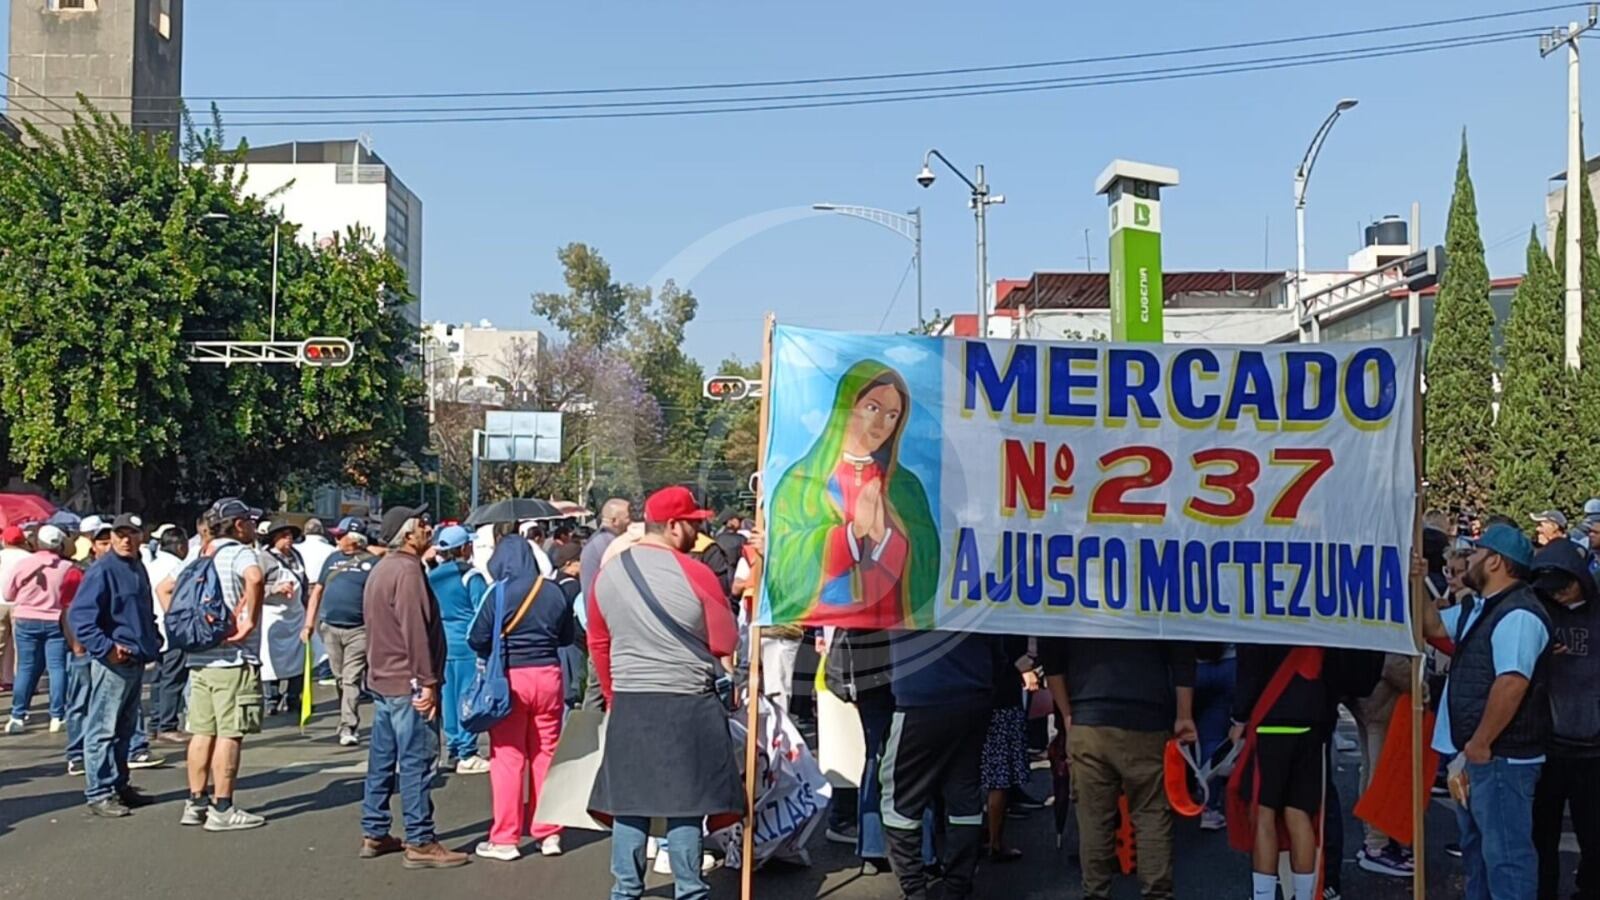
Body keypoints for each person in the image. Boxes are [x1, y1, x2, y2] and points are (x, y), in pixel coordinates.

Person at [588, 486, 742, 900]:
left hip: (631, 699)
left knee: (629, 804)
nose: (699, 530)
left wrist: (612, 693)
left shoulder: (609, 573)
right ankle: (689, 890)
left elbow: (598, 642)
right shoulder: (698, 573)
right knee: (685, 805)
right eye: (694, 523)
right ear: (673, 526)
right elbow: (724, 640)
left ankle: (625, 891)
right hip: (687, 701)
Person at [1418, 522, 1552, 900]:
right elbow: (1430, 625)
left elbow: (1511, 683)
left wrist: (1479, 744)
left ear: (1495, 562)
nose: (1467, 561)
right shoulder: (1481, 609)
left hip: (1500, 757)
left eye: (1476, 553)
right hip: (1481, 755)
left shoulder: (1518, 615)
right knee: (1480, 853)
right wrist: (1415, 580)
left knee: (1506, 858)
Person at [766, 360, 939, 629]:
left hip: (887, 629)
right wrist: (852, 533)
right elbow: (784, 556)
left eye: (893, 415)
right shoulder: (800, 481)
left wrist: (886, 538)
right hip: (820, 630)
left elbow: (926, 557)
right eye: (872, 408)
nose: (881, 423)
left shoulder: (905, 486)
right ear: (846, 408)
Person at [1043, 637, 1197, 900]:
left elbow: (1052, 659)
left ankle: (1095, 892)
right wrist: (1184, 715)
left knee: (1093, 819)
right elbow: (1183, 655)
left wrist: (1068, 715)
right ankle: (1157, 893)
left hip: (1088, 717)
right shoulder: (1161, 595)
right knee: (1151, 815)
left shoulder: (1070, 599)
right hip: (1148, 716)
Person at [359, 504, 467, 869]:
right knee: (418, 760)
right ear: (407, 534)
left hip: (386, 679)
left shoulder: (382, 569)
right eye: (422, 524)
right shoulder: (407, 572)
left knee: (383, 760)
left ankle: (375, 829)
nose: (428, 528)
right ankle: (420, 839)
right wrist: (427, 682)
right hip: (408, 681)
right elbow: (415, 630)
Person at [470, 535, 572, 861]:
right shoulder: (553, 590)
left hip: (510, 680)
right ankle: (550, 833)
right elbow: (567, 636)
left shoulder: (498, 592)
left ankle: (505, 839)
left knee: (508, 757)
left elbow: (477, 637)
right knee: (546, 754)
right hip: (549, 677)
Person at [879, 629, 1000, 900]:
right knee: (964, 798)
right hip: (973, 696)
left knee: (899, 801)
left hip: (919, 697)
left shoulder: (900, 586)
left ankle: (914, 889)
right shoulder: (976, 586)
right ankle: (957, 886)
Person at [182, 497, 268, 832]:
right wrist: (249, 622)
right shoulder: (240, 552)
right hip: (234, 657)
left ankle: (194, 802)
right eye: (248, 521)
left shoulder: (199, 553)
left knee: (202, 731)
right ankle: (223, 807)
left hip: (200, 656)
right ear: (237, 524)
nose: (252, 527)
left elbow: (166, 588)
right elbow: (256, 578)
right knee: (230, 733)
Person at [67, 513, 160, 817]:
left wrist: (153, 638)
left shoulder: (136, 566)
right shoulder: (103, 569)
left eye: (131, 533)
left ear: (141, 536)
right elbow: (80, 617)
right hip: (113, 661)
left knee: (124, 728)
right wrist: (106, 648)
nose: (125, 539)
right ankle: (99, 791)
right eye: (119, 534)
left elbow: (142, 609)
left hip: (135, 657)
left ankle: (119, 785)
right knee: (102, 729)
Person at [1528, 539, 1599, 900]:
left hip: (1592, 749)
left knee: (1594, 838)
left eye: (1565, 588)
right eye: (1552, 591)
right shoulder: (1538, 608)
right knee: (1542, 836)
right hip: (1548, 745)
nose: (1560, 597)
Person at [302, 516, 381, 746]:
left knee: (351, 677)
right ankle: (346, 715)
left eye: (340, 535)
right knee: (339, 678)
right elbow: (317, 591)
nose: (336, 538)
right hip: (330, 628)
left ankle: (348, 725)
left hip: (360, 629)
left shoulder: (372, 562)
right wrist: (308, 624)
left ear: (354, 538)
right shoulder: (332, 558)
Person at [5, 524, 80, 733]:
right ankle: (57, 716)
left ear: (37, 542)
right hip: (54, 620)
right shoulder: (67, 568)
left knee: (25, 668)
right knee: (57, 668)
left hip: (25, 619)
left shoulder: (24, 564)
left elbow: (8, 594)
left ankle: (17, 715)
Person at [426, 524, 488, 774]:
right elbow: (483, 612)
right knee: (468, 698)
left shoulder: (433, 577)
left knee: (448, 699)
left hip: (441, 644)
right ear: (464, 547)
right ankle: (467, 752)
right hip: (467, 645)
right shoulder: (471, 576)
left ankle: (453, 748)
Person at [981, 635, 1036, 863]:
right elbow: (1012, 653)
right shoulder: (1006, 619)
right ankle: (995, 842)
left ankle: (969, 839)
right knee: (999, 778)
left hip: (973, 698)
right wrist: (1026, 667)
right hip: (1003, 699)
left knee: (966, 777)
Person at [578, 498, 630, 711]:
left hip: (599, 625)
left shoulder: (596, 543)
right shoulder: (610, 545)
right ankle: (590, 738)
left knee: (596, 688)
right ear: (615, 519)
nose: (631, 520)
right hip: (605, 630)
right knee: (598, 688)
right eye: (628, 516)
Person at [145, 526, 191, 743]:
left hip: (155, 628)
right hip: (173, 629)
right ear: (181, 546)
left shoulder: (151, 565)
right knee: (173, 678)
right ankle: (168, 724)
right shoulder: (178, 567)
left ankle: (155, 723)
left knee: (159, 677)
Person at [258, 519, 308, 717]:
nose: (289, 540)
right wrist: (274, 589)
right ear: (274, 538)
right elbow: (253, 587)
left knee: (299, 657)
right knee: (271, 660)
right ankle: (271, 698)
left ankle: (293, 697)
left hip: (295, 614)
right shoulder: (264, 558)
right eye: (284, 536)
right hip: (273, 615)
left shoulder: (297, 556)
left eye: (290, 536)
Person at [1191, 643, 1237, 831]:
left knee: (1199, 736)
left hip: (1193, 666)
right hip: (1229, 663)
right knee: (1217, 739)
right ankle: (1210, 806)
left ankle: (1191, 794)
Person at [549, 541, 586, 710]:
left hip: (555, 643)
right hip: (572, 643)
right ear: (570, 563)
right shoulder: (573, 586)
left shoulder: (553, 582)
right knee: (572, 691)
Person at [0, 524, 33, 692]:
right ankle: (21, 681)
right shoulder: (29, 557)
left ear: (4, 540)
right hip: (22, 604)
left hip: (0, 603)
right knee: (21, 647)